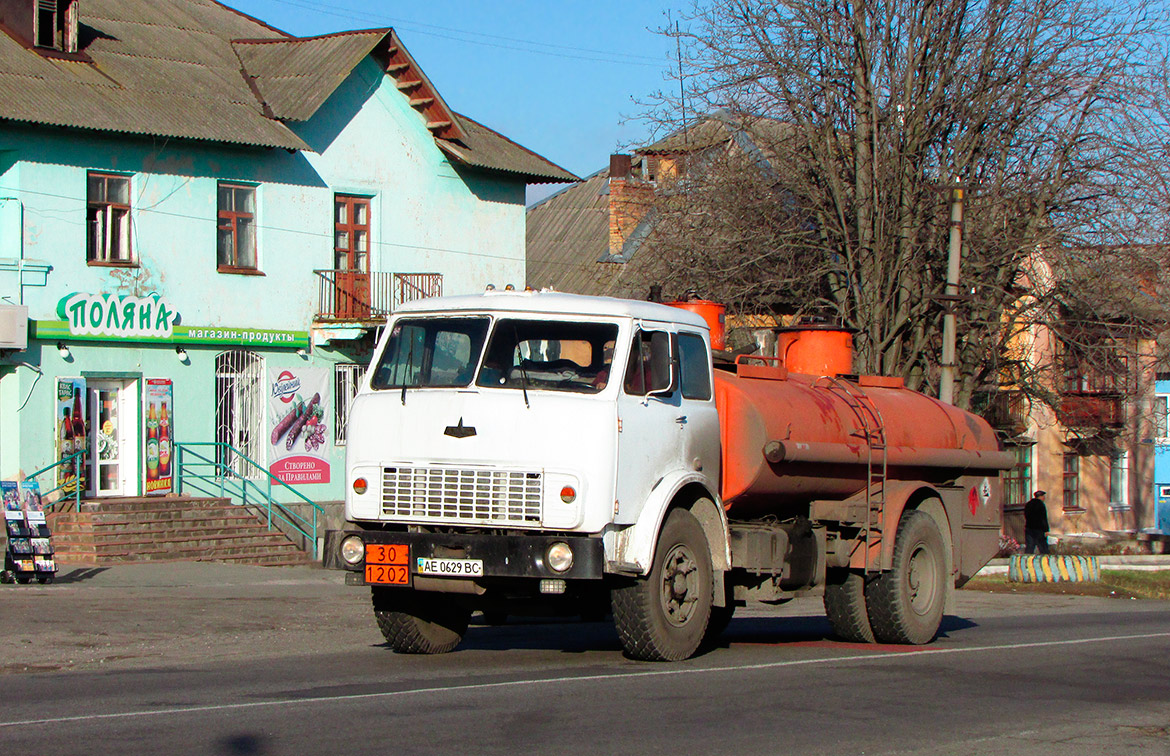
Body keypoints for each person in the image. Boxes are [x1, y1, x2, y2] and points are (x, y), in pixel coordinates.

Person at [1024, 490, 1050, 554]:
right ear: (1040, 497)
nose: (1044, 498)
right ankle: (1046, 560)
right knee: (1042, 546)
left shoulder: (1028, 504)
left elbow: (1026, 515)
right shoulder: (1041, 505)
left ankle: (1027, 560)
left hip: (1029, 528)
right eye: (1043, 496)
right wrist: (1046, 530)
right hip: (1039, 529)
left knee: (1030, 546)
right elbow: (1043, 518)